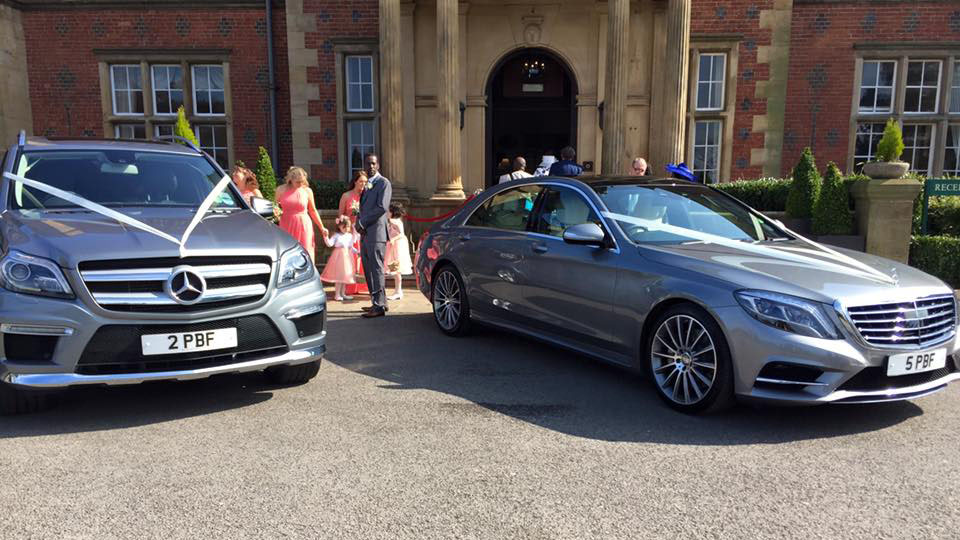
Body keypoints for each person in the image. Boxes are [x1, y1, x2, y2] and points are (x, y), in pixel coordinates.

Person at [356, 153, 392, 318]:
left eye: (373, 164)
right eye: (368, 164)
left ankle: (378, 307)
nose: (370, 166)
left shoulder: (383, 183)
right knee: (368, 269)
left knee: (376, 269)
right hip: (365, 234)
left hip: (376, 233)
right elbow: (362, 208)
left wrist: (362, 223)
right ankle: (378, 302)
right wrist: (358, 223)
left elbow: (381, 208)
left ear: (378, 165)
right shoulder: (368, 185)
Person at [276, 166, 327, 262]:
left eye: (302, 181)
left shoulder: (307, 191)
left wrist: (322, 227)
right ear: (290, 179)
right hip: (286, 224)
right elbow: (275, 207)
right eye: (298, 182)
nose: (300, 184)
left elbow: (312, 210)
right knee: (287, 250)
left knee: (305, 249)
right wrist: (276, 213)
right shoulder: (280, 190)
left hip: (303, 225)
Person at [338, 170, 369, 296]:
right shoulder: (346, 196)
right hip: (350, 232)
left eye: (365, 182)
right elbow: (340, 214)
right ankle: (350, 287)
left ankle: (363, 285)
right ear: (355, 181)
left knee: (363, 258)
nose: (363, 184)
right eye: (361, 181)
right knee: (350, 259)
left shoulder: (368, 195)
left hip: (364, 231)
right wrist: (345, 222)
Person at [320, 216, 360, 301]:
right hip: (339, 258)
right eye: (344, 227)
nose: (346, 228)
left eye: (348, 227)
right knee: (339, 277)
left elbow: (351, 247)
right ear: (339, 226)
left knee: (345, 276)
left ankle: (343, 293)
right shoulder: (336, 235)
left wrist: (358, 252)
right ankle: (337, 294)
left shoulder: (349, 236)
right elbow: (329, 244)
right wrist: (326, 237)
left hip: (347, 258)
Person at [384, 202, 413, 300]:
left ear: (393, 212)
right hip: (394, 246)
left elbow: (401, 234)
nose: (387, 212)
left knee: (396, 269)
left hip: (397, 246)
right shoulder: (393, 221)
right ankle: (397, 291)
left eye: (389, 211)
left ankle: (398, 291)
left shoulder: (395, 221)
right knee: (394, 269)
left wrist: (393, 239)